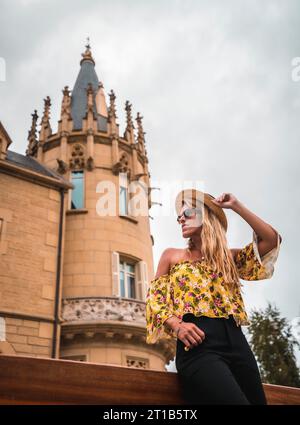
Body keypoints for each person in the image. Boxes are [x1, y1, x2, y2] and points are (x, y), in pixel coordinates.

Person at [145, 189, 282, 405]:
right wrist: (177, 325)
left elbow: (271, 240)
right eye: (178, 217)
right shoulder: (172, 256)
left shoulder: (228, 258)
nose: (181, 219)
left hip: (237, 342)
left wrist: (237, 206)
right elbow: (154, 299)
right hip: (197, 345)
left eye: (187, 213)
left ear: (206, 215)